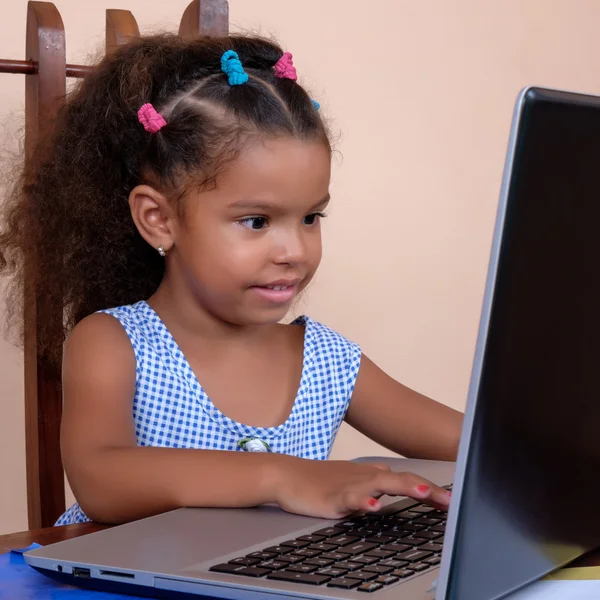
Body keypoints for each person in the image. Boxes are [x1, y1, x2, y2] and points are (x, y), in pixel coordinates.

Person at [0, 34, 462, 526]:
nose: (294, 252)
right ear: (159, 219)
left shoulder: (326, 362)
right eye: (257, 221)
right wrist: (281, 476)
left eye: (310, 218)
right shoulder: (116, 343)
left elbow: (481, 447)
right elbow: (101, 479)